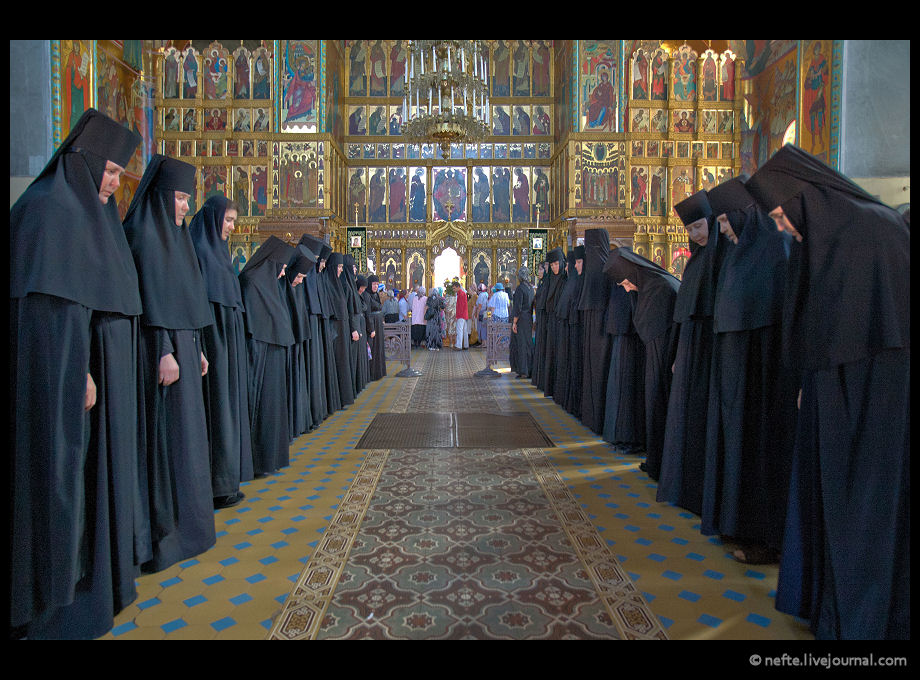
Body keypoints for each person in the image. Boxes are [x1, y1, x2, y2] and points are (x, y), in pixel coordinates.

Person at [747, 144, 910, 640]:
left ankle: (859, 617)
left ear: (804, 201)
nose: (779, 227)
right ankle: (828, 604)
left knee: (861, 509)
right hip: (831, 392)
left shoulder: (873, 231)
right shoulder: (822, 240)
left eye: (778, 215)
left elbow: (881, 326)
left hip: (874, 397)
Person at [11, 109, 143, 639]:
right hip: (57, 389)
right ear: (84, 162)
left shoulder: (91, 215)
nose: (114, 183)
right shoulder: (48, 214)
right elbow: (52, 325)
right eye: (110, 171)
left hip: (88, 385)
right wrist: (79, 373)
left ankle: (86, 584)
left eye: (119, 174)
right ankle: (51, 599)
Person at [123, 155, 216, 574]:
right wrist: (164, 349)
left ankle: (192, 528)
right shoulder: (142, 234)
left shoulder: (178, 240)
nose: (185, 207)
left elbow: (183, 300)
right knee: (166, 443)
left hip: (183, 351)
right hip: (157, 357)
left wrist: (194, 347)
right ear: (162, 197)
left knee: (188, 440)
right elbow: (148, 303)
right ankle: (166, 534)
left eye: (187, 199)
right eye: (180, 198)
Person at [700, 175, 794, 566]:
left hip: (762, 379)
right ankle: (735, 524)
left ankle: (762, 536)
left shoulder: (775, 250)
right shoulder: (739, 254)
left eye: (724, 222)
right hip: (734, 374)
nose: (722, 230)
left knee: (757, 451)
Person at [656, 190, 727, 513]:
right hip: (689, 349)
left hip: (709, 353)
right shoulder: (696, 261)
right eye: (689, 230)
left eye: (699, 227)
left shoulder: (720, 258)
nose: (694, 234)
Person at [188, 196, 253, 510]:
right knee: (217, 409)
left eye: (233, 222)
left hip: (228, 341)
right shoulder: (200, 251)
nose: (231, 227)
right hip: (212, 341)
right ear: (214, 218)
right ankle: (216, 484)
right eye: (227, 220)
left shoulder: (221, 254)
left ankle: (228, 480)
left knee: (230, 408)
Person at [604, 247, 680, 482]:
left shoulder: (659, 287)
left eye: (626, 283)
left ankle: (662, 464)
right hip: (655, 356)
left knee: (660, 404)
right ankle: (655, 459)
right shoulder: (646, 287)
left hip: (666, 359)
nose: (626, 288)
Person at [238, 237, 296, 474]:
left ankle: (271, 459)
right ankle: (259, 460)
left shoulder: (270, 285)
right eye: (282, 268)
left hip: (273, 353)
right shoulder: (252, 282)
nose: (283, 274)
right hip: (259, 357)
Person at [578, 230, 613, 433]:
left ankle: (599, 418)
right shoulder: (592, 273)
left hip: (603, 335)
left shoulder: (608, 272)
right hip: (592, 333)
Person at [322, 252, 356, 407]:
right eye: (339, 267)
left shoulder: (339, 284)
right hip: (335, 331)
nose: (341, 270)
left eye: (343, 267)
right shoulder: (327, 284)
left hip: (342, 329)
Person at [538, 249, 565, 398]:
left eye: (556, 264)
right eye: (552, 265)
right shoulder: (549, 280)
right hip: (550, 322)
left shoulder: (564, 279)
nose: (554, 268)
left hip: (559, 323)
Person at [511, 266, 535, 379]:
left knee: (521, 344)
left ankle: (523, 371)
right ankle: (529, 369)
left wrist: (514, 323)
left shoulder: (520, 289)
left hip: (521, 320)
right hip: (529, 319)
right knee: (528, 344)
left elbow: (518, 307)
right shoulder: (531, 288)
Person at [362, 275, 387, 380]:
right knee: (373, 349)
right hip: (372, 325)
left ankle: (379, 372)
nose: (375, 286)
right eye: (373, 284)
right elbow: (367, 313)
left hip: (378, 324)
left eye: (377, 284)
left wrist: (382, 320)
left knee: (379, 348)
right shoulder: (367, 295)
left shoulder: (376, 295)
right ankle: (372, 374)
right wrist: (371, 329)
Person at [453, 281, 470, 350]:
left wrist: (457, 316)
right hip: (464, 315)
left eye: (454, 288)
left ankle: (459, 345)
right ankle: (466, 345)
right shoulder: (462, 293)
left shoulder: (461, 294)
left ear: (458, 287)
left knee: (459, 330)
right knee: (464, 331)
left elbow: (460, 306)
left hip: (461, 315)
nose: (453, 290)